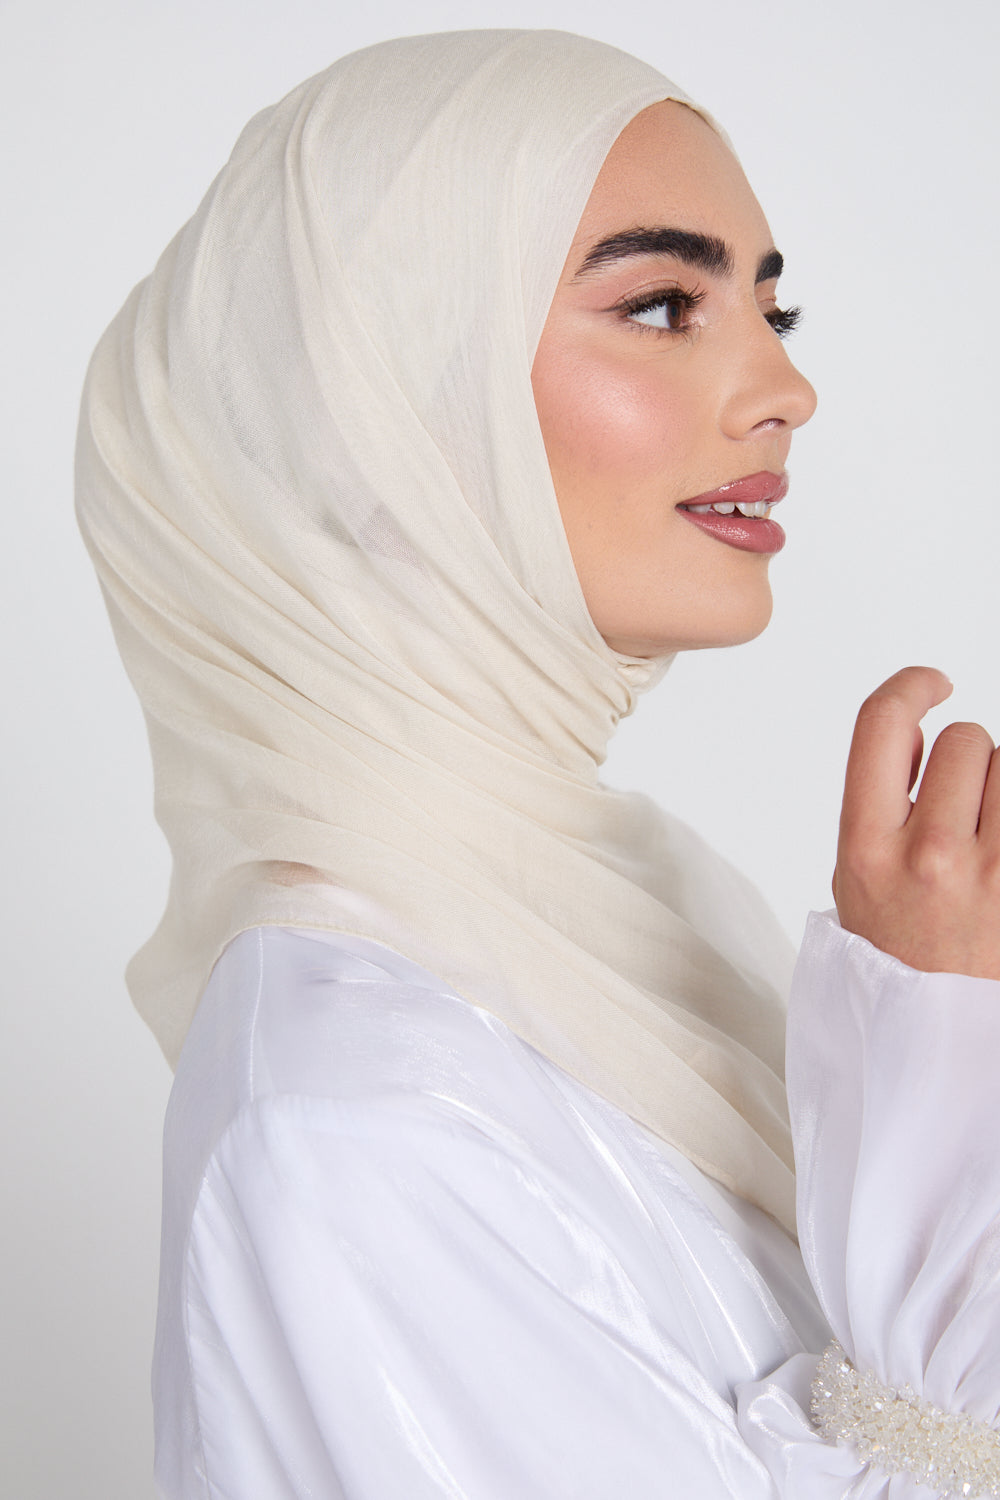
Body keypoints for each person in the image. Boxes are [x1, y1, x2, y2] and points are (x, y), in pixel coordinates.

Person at [75, 29, 1000, 1500]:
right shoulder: (354, 1125)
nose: (785, 386)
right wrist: (943, 1067)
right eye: (662, 305)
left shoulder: (605, 942)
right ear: (385, 405)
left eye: (773, 308)